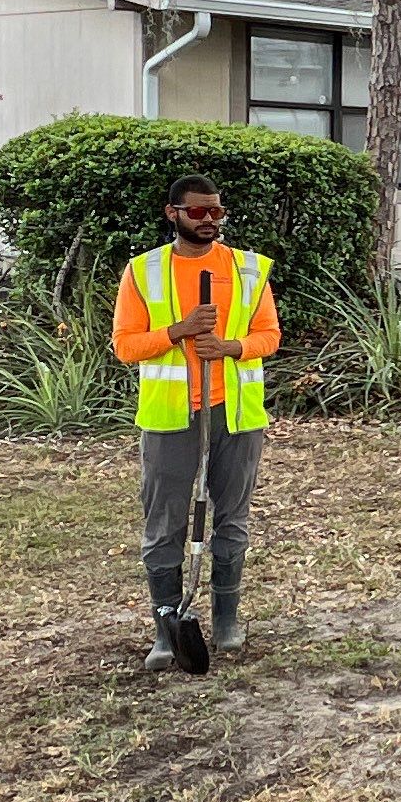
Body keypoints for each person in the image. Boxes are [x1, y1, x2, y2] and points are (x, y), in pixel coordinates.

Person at [110, 176, 282, 670]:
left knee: (232, 517)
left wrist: (230, 348)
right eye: (198, 213)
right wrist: (178, 332)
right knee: (164, 523)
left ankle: (227, 619)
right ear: (173, 214)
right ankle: (167, 629)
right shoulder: (143, 272)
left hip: (236, 413)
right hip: (171, 416)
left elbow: (269, 335)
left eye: (216, 212)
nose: (209, 221)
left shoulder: (248, 270)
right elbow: (125, 346)